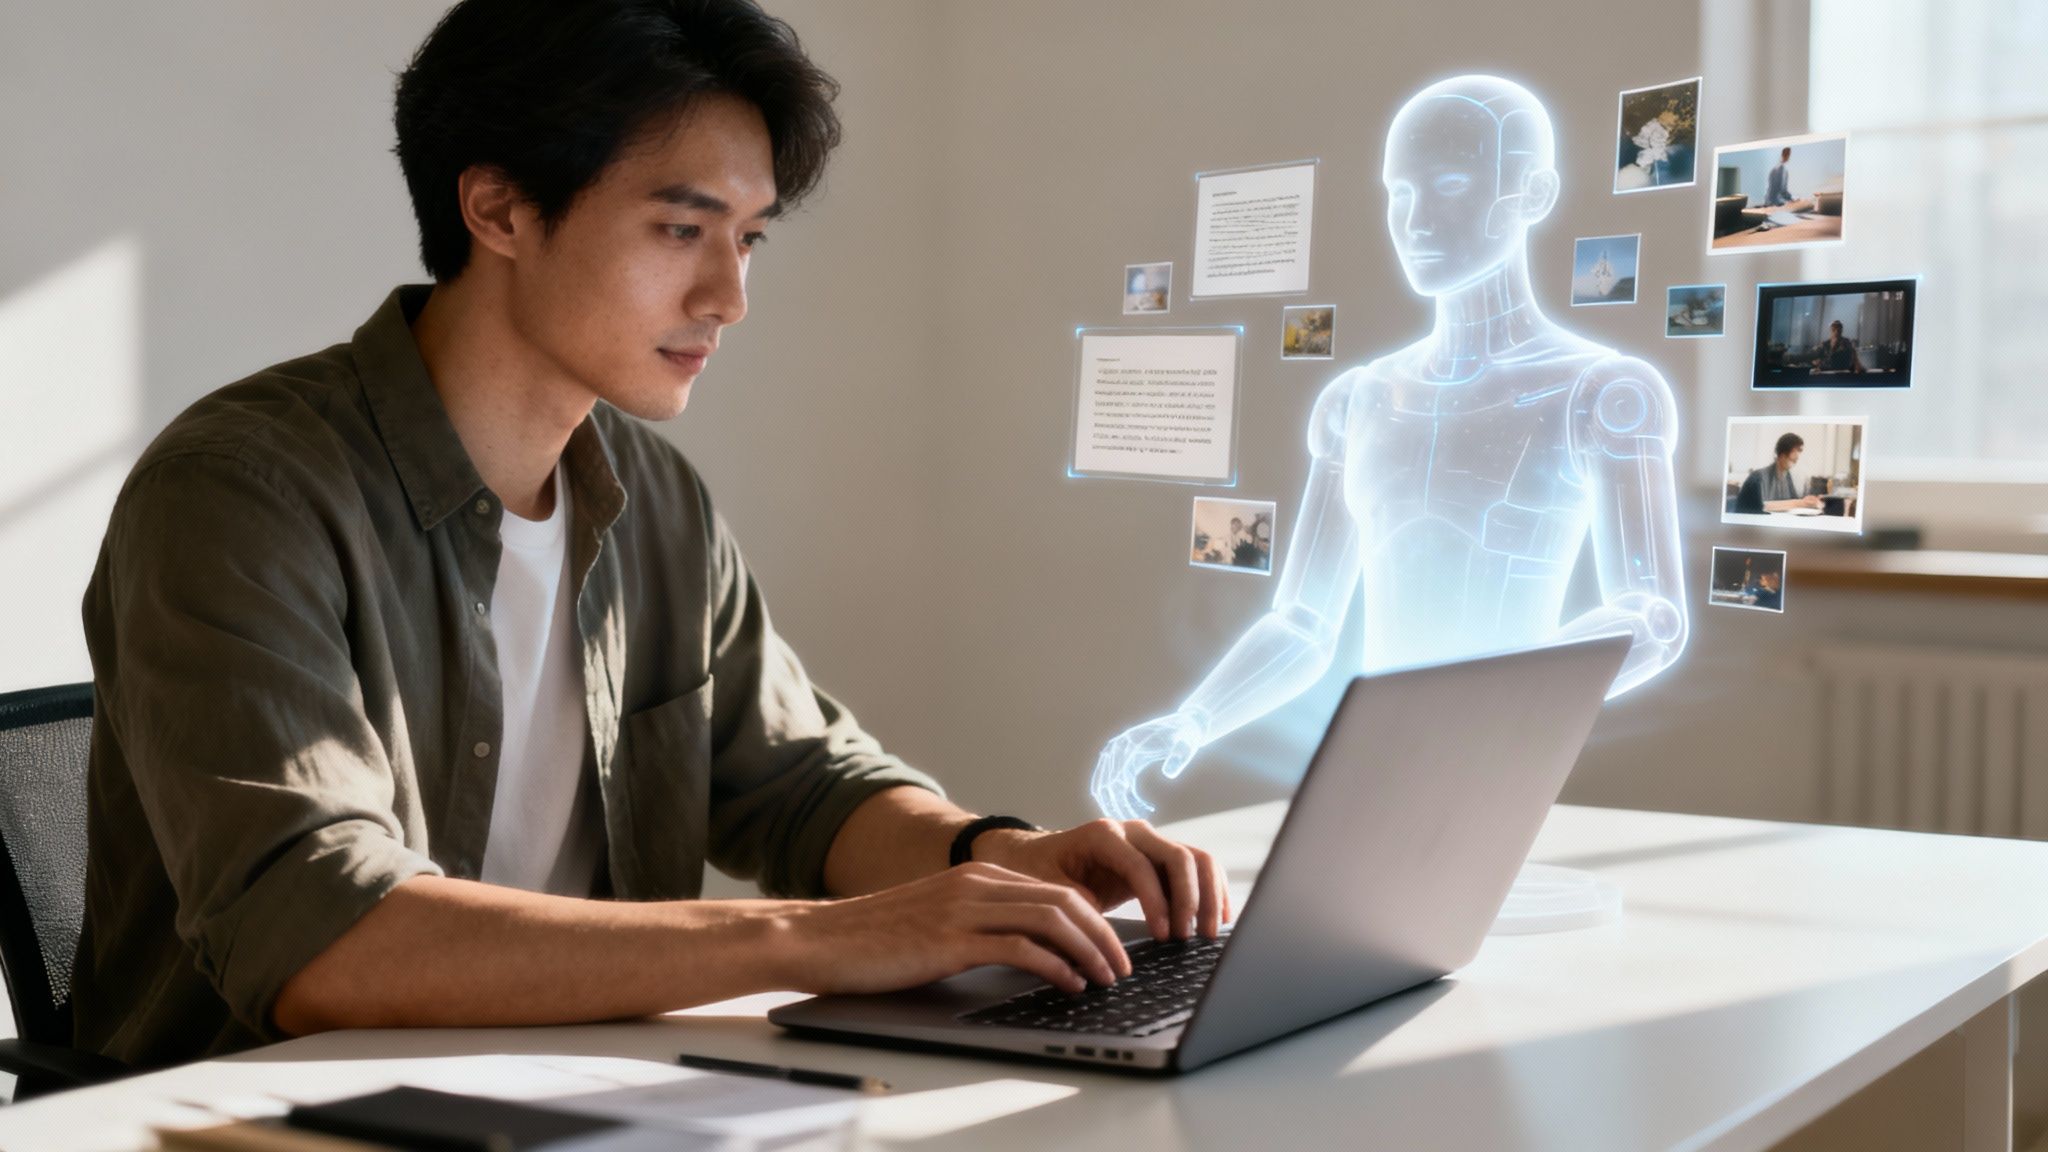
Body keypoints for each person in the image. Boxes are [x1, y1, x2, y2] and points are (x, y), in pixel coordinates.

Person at [76, 0, 1226, 1069]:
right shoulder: (239, 495)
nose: (729, 296)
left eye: (750, 239)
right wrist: (819, 939)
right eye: (683, 227)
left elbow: (801, 784)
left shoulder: (651, 498)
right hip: (264, 1115)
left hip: (587, 1087)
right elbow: (324, 938)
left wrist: (991, 856)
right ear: (498, 210)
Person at [1093, 76, 1690, 820]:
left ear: (1531, 193)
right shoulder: (1359, 401)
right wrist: (1193, 720)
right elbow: (1306, 623)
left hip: (1489, 784)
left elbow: (1652, 613)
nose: (1416, 220)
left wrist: (1489, 713)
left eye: (1449, 184)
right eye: (1399, 193)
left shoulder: (1602, 394)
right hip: (1373, 792)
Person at [1734, 433, 1823, 515]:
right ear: (1782, 455)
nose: (1795, 463)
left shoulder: (1786, 475)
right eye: (1792, 460)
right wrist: (1800, 503)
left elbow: (1792, 500)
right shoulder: (1758, 477)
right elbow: (1763, 506)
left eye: (1795, 461)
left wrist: (1806, 501)